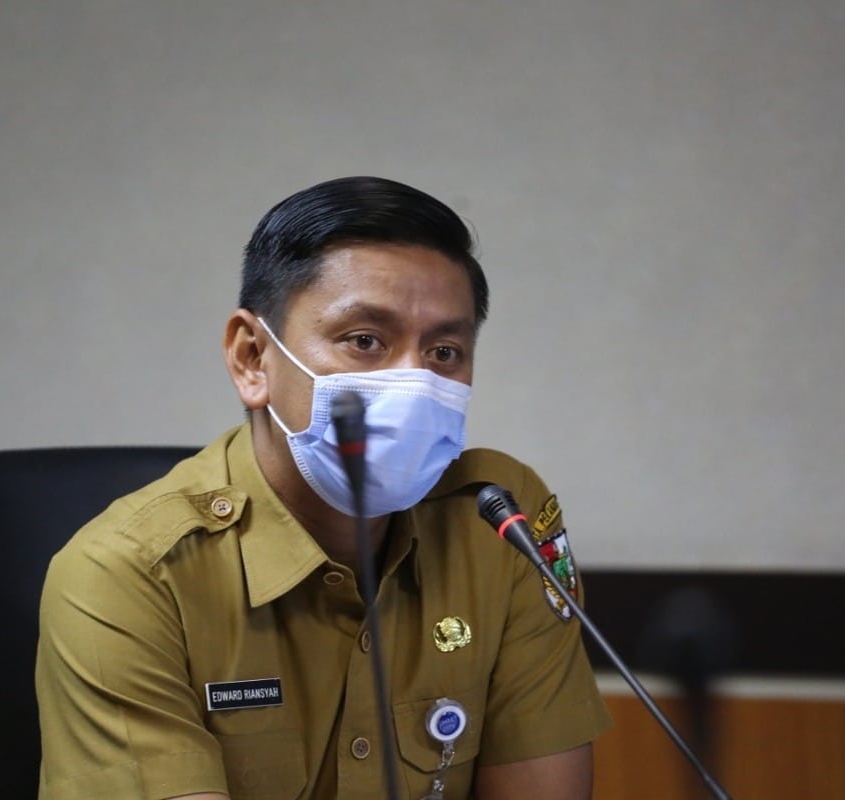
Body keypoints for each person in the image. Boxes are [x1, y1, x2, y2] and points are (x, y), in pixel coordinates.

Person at [36, 176, 613, 800]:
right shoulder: (130, 576)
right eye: (365, 341)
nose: (412, 381)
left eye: (445, 352)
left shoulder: (495, 522)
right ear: (252, 358)